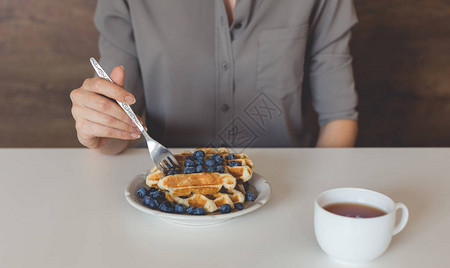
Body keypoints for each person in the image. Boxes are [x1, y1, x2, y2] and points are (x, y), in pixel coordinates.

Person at [70, 0, 359, 155]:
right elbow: (120, 124)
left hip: (285, 191)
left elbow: (339, 117)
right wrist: (99, 126)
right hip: (171, 198)